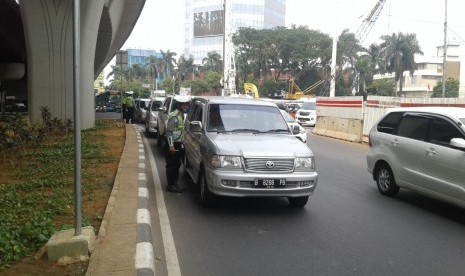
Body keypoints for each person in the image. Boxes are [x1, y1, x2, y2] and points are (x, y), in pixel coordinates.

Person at [165, 97, 190, 193]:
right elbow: (169, 132)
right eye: (184, 104)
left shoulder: (181, 115)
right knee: (171, 165)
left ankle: (175, 183)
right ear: (179, 105)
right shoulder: (174, 116)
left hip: (179, 143)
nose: (186, 106)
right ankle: (170, 185)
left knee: (177, 164)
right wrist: (171, 146)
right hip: (173, 144)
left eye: (187, 104)